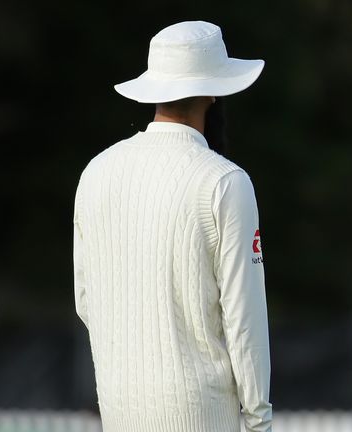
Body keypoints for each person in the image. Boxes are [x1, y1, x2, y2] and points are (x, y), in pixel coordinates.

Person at [73, 21, 272, 432]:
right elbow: (244, 319)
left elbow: (85, 300)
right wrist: (259, 420)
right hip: (204, 415)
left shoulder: (96, 172)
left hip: (118, 409)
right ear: (215, 90)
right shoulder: (225, 181)